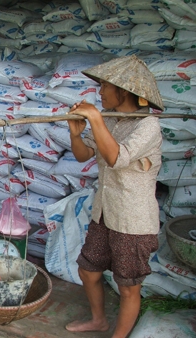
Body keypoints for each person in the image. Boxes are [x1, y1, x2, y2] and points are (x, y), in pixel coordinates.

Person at [65, 55, 164, 338]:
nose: (100, 92)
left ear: (123, 90)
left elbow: (116, 158)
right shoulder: (111, 120)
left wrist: (95, 117)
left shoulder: (148, 126)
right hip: (105, 213)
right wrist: (76, 135)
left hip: (133, 221)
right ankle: (99, 320)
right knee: (88, 271)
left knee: (129, 286)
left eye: (104, 86)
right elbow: (85, 154)